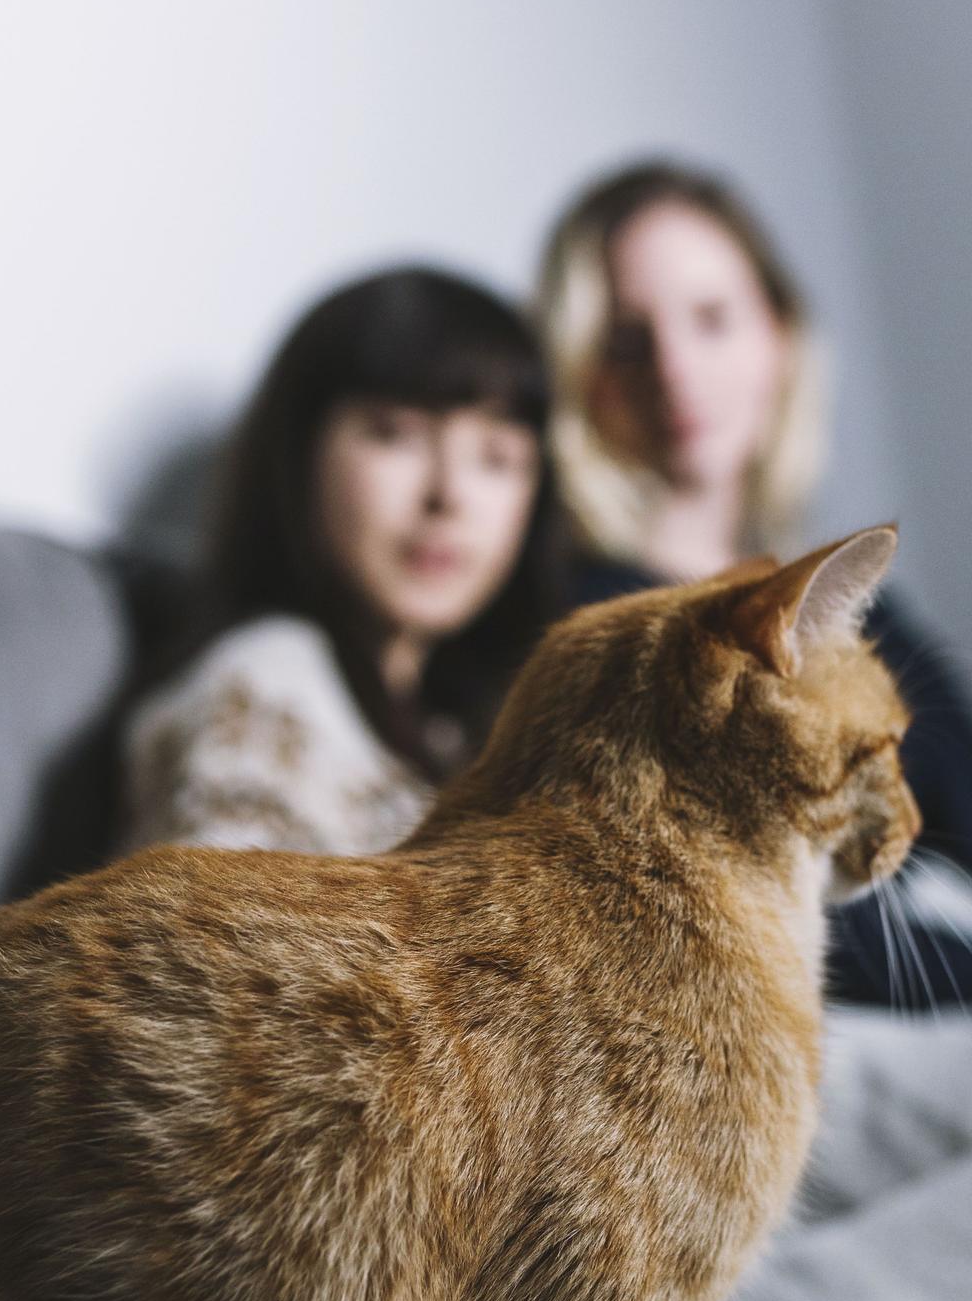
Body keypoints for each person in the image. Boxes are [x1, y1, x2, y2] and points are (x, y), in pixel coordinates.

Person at [537, 158, 972, 1006]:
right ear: (581, 375)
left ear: (778, 337)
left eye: (712, 319)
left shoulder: (858, 615)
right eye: (626, 339)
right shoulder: (594, 631)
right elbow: (815, 933)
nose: (674, 369)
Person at [123, 265, 619, 859]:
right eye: (396, 436)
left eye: (497, 457)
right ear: (298, 455)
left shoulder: (461, 727)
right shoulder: (264, 688)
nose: (449, 496)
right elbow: (208, 945)